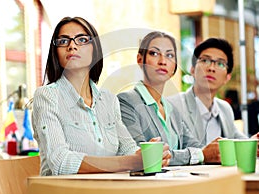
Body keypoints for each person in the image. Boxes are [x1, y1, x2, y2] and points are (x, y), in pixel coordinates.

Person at [31, 17, 171, 176]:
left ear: (94, 49)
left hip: (106, 189)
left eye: (82, 40)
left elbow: (126, 149)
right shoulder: (47, 96)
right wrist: (133, 161)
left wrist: (146, 155)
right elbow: (60, 162)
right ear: (55, 51)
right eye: (63, 41)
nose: (72, 46)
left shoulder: (109, 100)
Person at [118, 31, 221, 165]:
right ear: (139, 60)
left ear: (174, 67)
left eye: (170, 55)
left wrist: (212, 150)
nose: (163, 61)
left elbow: (196, 146)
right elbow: (141, 155)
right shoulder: (126, 101)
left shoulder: (172, 110)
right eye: (154, 53)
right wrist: (199, 155)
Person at [168, 38, 249, 161]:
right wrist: (202, 156)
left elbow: (238, 139)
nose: (212, 68)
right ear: (192, 70)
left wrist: (258, 143)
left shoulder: (224, 108)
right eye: (205, 60)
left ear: (227, 77)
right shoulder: (172, 105)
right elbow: (165, 154)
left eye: (220, 64)